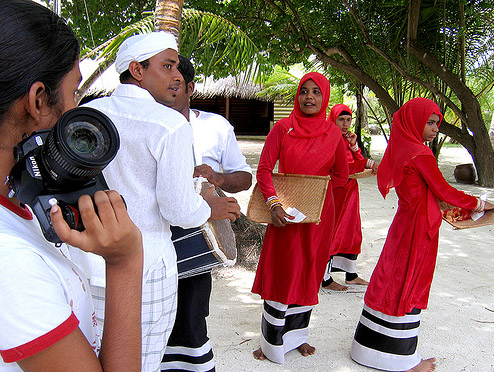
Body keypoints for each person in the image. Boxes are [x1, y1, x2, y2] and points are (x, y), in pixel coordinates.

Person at [71, 32, 241, 372]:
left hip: (86, 262)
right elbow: (178, 209)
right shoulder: (169, 124)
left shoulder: (87, 113)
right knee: (139, 362)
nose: (178, 76)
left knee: (91, 354)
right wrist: (209, 207)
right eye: (167, 66)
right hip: (144, 269)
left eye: (177, 67)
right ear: (137, 69)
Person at [0, 1, 143, 371]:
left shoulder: (12, 200)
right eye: (74, 91)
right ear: (38, 101)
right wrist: (125, 262)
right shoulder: (8, 260)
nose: (77, 107)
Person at [350, 97, 494, 372]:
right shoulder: (421, 154)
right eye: (429, 122)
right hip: (418, 228)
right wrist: (479, 203)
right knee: (409, 282)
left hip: (403, 224)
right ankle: (402, 361)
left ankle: (368, 349)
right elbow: (445, 191)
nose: (435, 128)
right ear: (414, 122)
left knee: (390, 278)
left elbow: (425, 190)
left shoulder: (400, 148)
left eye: (437, 122)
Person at [160, 55, 252, 372]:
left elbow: (245, 178)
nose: (168, 91)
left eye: (176, 84)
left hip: (196, 243)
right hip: (148, 241)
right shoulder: (145, 126)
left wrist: (218, 178)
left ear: (190, 87)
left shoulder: (215, 127)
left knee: (190, 320)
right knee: (146, 320)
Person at [251, 72, 349, 363]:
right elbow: (264, 169)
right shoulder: (283, 127)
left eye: (316, 92)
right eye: (304, 91)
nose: (309, 97)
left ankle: (297, 338)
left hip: (319, 215)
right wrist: (274, 203)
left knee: (308, 272)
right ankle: (271, 343)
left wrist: (315, 192)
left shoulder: (334, 134)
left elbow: (342, 177)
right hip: (285, 212)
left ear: (325, 97)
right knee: (284, 271)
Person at [322, 104, 377, 291]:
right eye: (341, 120)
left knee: (351, 231)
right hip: (336, 191)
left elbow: (357, 161)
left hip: (350, 191)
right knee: (333, 231)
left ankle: (350, 274)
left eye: (348, 120)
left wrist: (355, 147)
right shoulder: (330, 138)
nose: (345, 124)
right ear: (333, 119)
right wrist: (366, 164)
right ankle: (325, 277)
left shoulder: (345, 139)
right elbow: (344, 167)